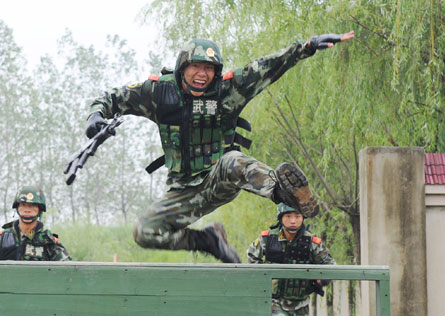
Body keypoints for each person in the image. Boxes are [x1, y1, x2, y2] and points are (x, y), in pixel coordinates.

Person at [85, 32, 354, 263]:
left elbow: (270, 66)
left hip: (219, 178)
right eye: (196, 67)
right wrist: (96, 116)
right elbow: (112, 97)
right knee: (143, 231)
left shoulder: (228, 90)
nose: (202, 75)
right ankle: (207, 240)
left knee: (233, 160)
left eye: (209, 69)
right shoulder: (159, 93)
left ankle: (282, 192)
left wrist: (307, 47)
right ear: (183, 67)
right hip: (183, 192)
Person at [247, 203, 335, 316]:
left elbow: (331, 266)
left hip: (300, 304)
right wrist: (267, 272)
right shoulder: (268, 239)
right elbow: (251, 258)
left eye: (297, 216)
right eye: (288, 216)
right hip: (274, 302)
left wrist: (320, 278)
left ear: (303, 218)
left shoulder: (312, 242)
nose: (293, 221)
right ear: (281, 218)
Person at [0, 186, 71, 261]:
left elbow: (69, 269)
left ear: (39, 209)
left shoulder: (48, 242)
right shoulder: (4, 238)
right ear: (17, 207)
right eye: (23, 204)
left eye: (32, 205)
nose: (27, 209)